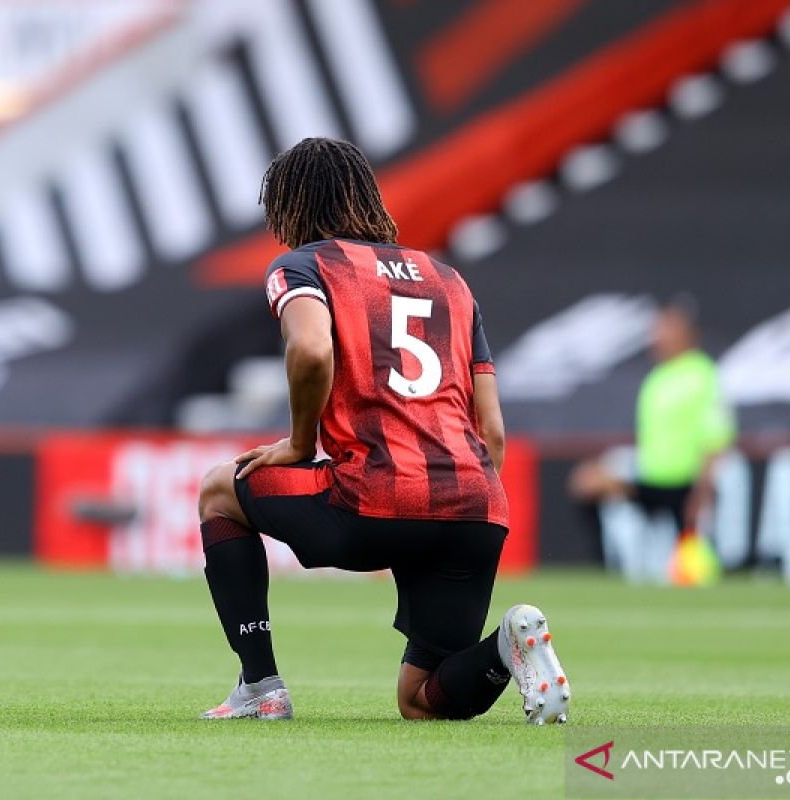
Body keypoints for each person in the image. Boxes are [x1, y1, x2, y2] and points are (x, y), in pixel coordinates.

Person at [195, 137, 568, 724]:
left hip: (373, 499)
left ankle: (260, 685)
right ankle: (506, 648)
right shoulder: (449, 280)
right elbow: (491, 430)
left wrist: (299, 443)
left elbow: (312, 350)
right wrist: (455, 510)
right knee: (422, 700)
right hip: (474, 506)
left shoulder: (304, 266)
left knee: (220, 489)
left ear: (293, 206)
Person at [569, 299, 735, 542]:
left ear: (687, 335)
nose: (657, 337)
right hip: (651, 480)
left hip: (685, 485)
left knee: (692, 562)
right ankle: (603, 570)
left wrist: (703, 489)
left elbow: (717, 437)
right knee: (586, 484)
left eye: (666, 330)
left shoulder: (703, 375)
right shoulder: (656, 378)